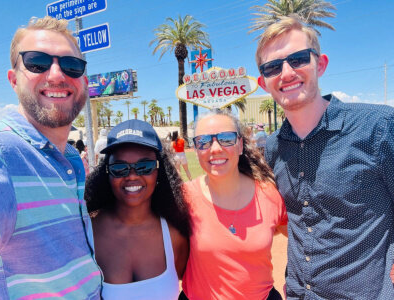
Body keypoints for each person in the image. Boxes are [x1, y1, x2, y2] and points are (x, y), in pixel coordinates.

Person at [256, 16, 394, 299]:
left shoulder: (378, 127)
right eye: (273, 67)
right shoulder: (272, 148)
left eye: (297, 59)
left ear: (320, 64)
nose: (286, 73)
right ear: (263, 82)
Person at [0, 16, 101, 298]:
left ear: (84, 82)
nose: (56, 75)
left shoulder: (71, 159)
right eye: (37, 63)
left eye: (72, 66)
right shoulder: (0, 154)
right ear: (13, 79)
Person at [181, 109, 287, 300]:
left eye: (226, 138)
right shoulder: (184, 197)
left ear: (240, 145)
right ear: (196, 150)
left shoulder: (269, 194)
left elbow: (304, 241)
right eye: (203, 142)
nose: (215, 149)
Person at [85, 119, 191, 300]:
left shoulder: (175, 236)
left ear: (159, 171)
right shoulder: (87, 233)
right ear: (107, 173)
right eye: (119, 168)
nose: (132, 176)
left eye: (145, 167)